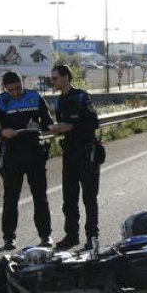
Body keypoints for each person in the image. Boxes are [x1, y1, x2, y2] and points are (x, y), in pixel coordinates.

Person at [0, 71, 54, 250]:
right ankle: (9, 237)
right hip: (12, 154)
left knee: (40, 197)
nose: (15, 93)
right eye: (11, 90)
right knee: (10, 198)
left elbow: (48, 122)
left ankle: (45, 235)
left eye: (17, 88)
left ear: (22, 83)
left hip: (34, 152)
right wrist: (2, 132)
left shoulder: (35, 97)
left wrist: (39, 126)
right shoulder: (0, 101)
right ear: (5, 89)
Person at [49, 64, 100, 250]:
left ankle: (92, 238)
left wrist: (70, 127)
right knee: (69, 200)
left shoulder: (82, 97)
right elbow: (62, 125)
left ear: (66, 78)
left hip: (87, 154)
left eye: (55, 78)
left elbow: (93, 123)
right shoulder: (58, 101)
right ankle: (71, 236)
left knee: (89, 199)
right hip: (69, 154)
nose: (52, 81)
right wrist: (55, 129)